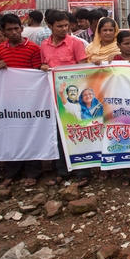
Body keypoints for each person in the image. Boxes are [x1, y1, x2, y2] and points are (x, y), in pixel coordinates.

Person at [40, 11, 91, 188]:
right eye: (59, 26)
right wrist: (44, 67)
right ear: (50, 26)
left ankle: (84, 172)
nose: (64, 29)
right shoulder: (44, 45)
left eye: (66, 25)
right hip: (54, 97)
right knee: (59, 135)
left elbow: (83, 69)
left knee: (78, 133)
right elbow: (44, 65)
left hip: (74, 97)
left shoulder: (76, 44)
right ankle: (63, 171)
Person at [0, 13, 43, 188]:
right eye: (9, 30)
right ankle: (12, 171)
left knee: (31, 133)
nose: (13, 32)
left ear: (22, 29)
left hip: (29, 99)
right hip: (8, 99)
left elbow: (37, 74)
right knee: (10, 134)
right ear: (4, 32)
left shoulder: (33, 49)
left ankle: (33, 171)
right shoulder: (1, 48)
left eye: (16, 28)